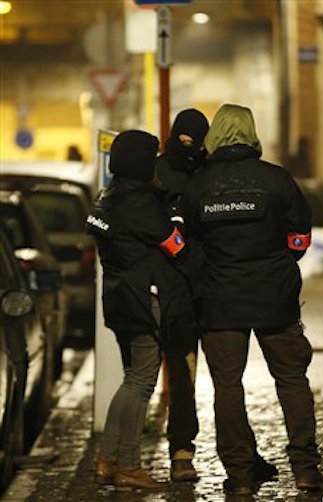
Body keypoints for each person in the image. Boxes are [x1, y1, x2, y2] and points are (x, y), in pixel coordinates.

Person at [182, 104, 323, 496]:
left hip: (220, 302)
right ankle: (306, 469)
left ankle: (241, 475)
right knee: (292, 378)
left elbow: (189, 247)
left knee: (227, 386)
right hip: (275, 298)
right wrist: (281, 262)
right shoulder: (277, 180)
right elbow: (300, 236)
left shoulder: (198, 186)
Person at [153, 108, 277, 482]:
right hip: (178, 291)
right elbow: (153, 226)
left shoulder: (210, 171)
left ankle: (242, 457)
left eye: (196, 141)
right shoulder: (158, 174)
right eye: (183, 140)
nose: (189, 148)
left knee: (227, 381)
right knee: (182, 375)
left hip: (212, 290)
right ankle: (182, 452)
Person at [87, 130, 192, 491]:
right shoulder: (142, 204)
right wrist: (177, 219)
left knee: (131, 377)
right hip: (143, 300)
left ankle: (107, 458)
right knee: (141, 380)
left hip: (119, 299)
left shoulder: (107, 198)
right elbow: (176, 247)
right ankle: (129, 465)